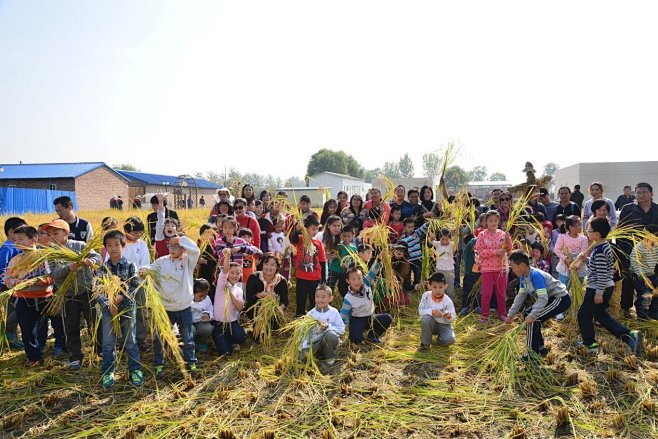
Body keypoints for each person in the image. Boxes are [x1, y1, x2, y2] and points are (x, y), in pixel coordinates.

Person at [576, 218, 643, 355]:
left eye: (589, 230)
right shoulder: (603, 246)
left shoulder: (600, 250)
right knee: (600, 315)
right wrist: (586, 259)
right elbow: (600, 266)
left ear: (597, 234)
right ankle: (630, 336)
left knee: (583, 314)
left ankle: (590, 344)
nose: (587, 232)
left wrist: (599, 293)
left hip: (598, 287)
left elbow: (601, 273)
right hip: (605, 286)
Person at [47, 219, 102, 369]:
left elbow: (98, 257)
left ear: (66, 233)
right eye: (49, 234)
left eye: (55, 233)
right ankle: (75, 356)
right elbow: (54, 274)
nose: (52, 237)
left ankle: (100, 351)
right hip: (68, 295)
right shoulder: (50, 254)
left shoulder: (80, 245)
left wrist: (90, 261)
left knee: (95, 322)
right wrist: (68, 268)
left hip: (87, 291)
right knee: (71, 327)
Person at [146, 234, 200, 378]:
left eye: (177, 246)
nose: (173, 248)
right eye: (170, 245)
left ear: (184, 249)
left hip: (184, 307)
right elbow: (147, 271)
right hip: (165, 308)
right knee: (160, 338)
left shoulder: (188, 261)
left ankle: (191, 363)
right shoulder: (161, 262)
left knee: (187, 337)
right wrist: (143, 271)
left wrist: (181, 239)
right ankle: (158, 365)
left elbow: (196, 250)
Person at [97, 230, 143, 388]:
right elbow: (97, 289)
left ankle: (135, 370)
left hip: (127, 307)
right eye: (109, 245)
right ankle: (108, 371)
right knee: (108, 342)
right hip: (108, 309)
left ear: (123, 246)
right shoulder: (103, 269)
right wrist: (109, 303)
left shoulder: (130, 265)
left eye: (116, 244)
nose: (113, 248)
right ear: (105, 248)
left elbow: (135, 286)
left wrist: (119, 299)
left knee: (130, 339)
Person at [506, 251, 571, 360]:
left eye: (513, 267)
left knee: (533, 318)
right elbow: (520, 297)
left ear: (522, 265)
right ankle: (540, 348)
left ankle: (532, 352)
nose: (512, 270)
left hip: (560, 299)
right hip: (551, 299)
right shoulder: (524, 278)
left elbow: (543, 298)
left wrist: (533, 315)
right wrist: (510, 315)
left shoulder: (536, 275)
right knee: (530, 314)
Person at [4, 225, 54, 366]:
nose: (17, 243)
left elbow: (52, 277)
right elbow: (7, 279)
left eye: (21, 239)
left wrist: (39, 281)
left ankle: (42, 350)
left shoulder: (44, 257)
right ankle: (34, 358)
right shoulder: (16, 260)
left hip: (45, 298)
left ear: (33, 240)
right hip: (23, 299)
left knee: (43, 327)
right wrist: (17, 283)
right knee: (27, 329)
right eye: (15, 240)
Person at [617, 183, 658, 316]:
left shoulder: (657, 209)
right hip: (630, 249)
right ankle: (625, 307)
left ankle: (650, 311)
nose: (641, 195)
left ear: (651, 194)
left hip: (653, 253)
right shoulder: (628, 209)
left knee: (651, 282)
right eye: (638, 192)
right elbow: (620, 230)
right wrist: (621, 251)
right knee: (628, 279)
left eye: (644, 192)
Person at [474, 210, 513, 323]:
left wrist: (508, 238)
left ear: (499, 221)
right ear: (486, 222)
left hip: (502, 268)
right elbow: (480, 251)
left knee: (501, 293)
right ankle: (484, 316)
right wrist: (496, 252)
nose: (493, 223)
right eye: (490, 220)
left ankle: (502, 314)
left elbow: (508, 249)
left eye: (495, 220)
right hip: (487, 269)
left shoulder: (502, 234)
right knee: (486, 293)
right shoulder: (482, 235)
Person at [340, 261, 392, 344]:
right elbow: (343, 314)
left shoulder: (366, 283)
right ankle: (356, 332)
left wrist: (378, 261)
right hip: (357, 319)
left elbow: (372, 272)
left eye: (359, 278)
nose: (357, 281)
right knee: (355, 339)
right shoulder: (348, 298)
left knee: (387, 318)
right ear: (348, 281)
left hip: (370, 317)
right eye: (353, 279)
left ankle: (372, 335)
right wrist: (340, 328)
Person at [122, 217, 151, 352]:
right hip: (121, 286)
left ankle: (141, 340)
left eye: (140, 232)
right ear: (126, 231)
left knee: (140, 312)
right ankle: (123, 340)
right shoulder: (119, 243)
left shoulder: (142, 244)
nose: (138, 235)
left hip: (139, 284)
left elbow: (146, 263)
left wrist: (143, 270)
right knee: (124, 312)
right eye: (135, 233)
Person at [299, 285, 345, 367]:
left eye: (323, 297)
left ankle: (330, 358)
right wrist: (304, 347)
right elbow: (303, 332)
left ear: (330, 298)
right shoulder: (311, 314)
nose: (320, 299)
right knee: (302, 358)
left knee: (330, 335)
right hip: (314, 345)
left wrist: (328, 327)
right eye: (317, 297)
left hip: (329, 342)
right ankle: (313, 356)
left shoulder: (334, 312)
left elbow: (341, 329)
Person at [290, 215, 327, 316]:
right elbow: (293, 240)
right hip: (301, 277)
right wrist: (297, 230)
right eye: (313, 229)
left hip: (315, 278)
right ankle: (299, 317)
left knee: (314, 301)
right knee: (300, 300)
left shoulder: (318, 243)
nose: (315, 232)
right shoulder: (300, 240)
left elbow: (323, 261)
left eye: (317, 229)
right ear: (306, 229)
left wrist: (323, 279)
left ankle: (313, 318)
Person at [212, 248, 247, 355]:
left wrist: (231, 293)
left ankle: (230, 339)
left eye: (238, 274)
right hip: (219, 323)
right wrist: (227, 255)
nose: (235, 276)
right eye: (232, 273)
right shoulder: (222, 284)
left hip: (231, 322)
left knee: (241, 337)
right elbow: (225, 269)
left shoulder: (238, 289)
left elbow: (240, 307)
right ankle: (218, 340)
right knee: (226, 352)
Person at [0, 216, 27, 349]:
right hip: (8, 286)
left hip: (17, 285)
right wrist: (7, 283)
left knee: (16, 310)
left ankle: (12, 337)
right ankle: (10, 338)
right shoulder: (8, 247)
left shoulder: (16, 246)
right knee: (13, 311)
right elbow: (2, 268)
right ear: (11, 232)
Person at [244, 253, 289, 321]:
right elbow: (249, 298)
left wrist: (281, 308)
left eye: (272, 265)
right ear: (262, 265)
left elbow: (284, 300)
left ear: (277, 267)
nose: (268, 267)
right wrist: (261, 295)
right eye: (266, 264)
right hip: (255, 312)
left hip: (273, 313)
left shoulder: (282, 281)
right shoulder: (254, 277)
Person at [418, 272, 456, 350]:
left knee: (450, 340)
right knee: (426, 319)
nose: (437, 290)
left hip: (443, 324)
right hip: (430, 323)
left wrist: (448, 316)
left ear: (445, 287)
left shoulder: (447, 300)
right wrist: (432, 312)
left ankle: (440, 339)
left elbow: (453, 317)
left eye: (440, 287)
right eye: (434, 287)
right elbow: (421, 310)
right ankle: (425, 343)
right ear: (429, 286)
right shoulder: (426, 296)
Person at [629, 225, 658, 320]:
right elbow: (635, 264)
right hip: (639, 275)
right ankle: (642, 314)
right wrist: (644, 278)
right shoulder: (639, 247)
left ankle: (653, 311)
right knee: (646, 293)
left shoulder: (656, 246)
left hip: (650, 273)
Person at [554, 215, 589, 286]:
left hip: (579, 269)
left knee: (577, 290)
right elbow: (556, 250)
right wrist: (565, 259)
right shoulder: (562, 236)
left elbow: (583, 253)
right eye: (578, 225)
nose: (580, 227)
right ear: (570, 227)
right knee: (564, 289)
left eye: (580, 225)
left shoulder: (584, 238)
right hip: (564, 268)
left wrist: (578, 264)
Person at [153, 194, 181, 258]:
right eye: (167, 225)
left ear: (176, 230)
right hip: (161, 267)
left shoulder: (180, 241)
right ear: (163, 229)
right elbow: (160, 222)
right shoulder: (160, 238)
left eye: (173, 226)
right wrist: (160, 203)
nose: (170, 227)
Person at [191, 279, 214, 353]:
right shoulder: (187, 299)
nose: (203, 298)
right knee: (191, 331)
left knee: (208, 328)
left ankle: (201, 342)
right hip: (188, 322)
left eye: (205, 296)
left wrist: (208, 314)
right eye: (200, 296)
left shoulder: (207, 299)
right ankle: (190, 344)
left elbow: (210, 308)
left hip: (200, 321)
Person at [460, 233, 480, 316]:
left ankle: (477, 307)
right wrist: (481, 236)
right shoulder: (467, 251)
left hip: (477, 276)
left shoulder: (476, 252)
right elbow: (471, 242)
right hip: (469, 276)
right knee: (467, 293)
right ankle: (464, 308)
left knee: (477, 293)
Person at [432, 229, 455, 299]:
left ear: (450, 239)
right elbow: (430, 241)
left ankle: (450, 303)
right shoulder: (438, 244)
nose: (444, 242)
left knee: (450, 288)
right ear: (440, 238)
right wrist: (431, 238)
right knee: (440, 287)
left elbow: (458, 242)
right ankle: (440, 302)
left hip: (450, 270)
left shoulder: (452, 244)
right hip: (440, 269)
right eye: (442, 239)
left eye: (446, 240)